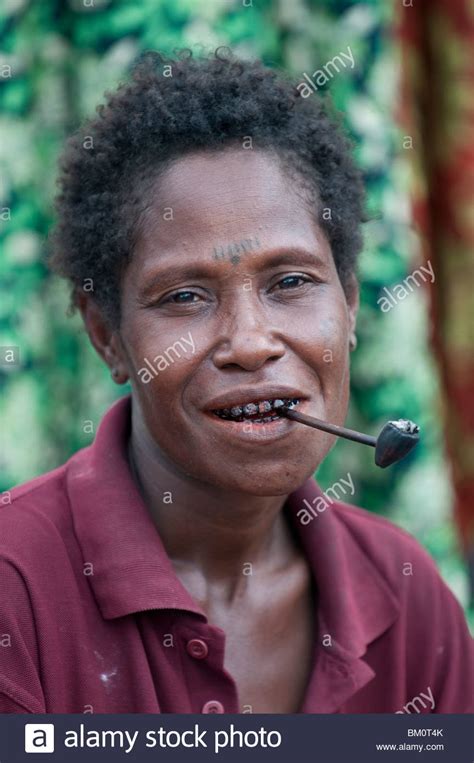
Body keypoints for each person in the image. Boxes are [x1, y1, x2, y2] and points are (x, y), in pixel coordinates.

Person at [1, 49, 472, 714]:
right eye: (185, 296)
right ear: (107, 335)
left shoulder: (407, 593)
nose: (251, 343)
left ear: (351, 306)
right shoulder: (16, 592)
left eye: (291, 282)